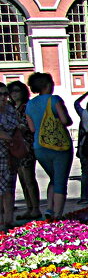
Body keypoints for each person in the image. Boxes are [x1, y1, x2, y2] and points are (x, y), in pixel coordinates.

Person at [23, 71, 74, 220]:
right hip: (60, 146)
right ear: (48, 85)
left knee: (53, 177)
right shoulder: (54, 100)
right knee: (60, 181)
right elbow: (66, 121)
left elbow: (32, 128)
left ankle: (50, 209)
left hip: (39, 146)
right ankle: (57, 215)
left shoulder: (30, 104)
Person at [8, 81, 41, 221]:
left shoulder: (27, 107)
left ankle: (35, 208)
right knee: (22, 179)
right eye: (12, 91)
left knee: (29, 178)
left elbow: (32, 126)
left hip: (27, 146)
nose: (14, 94)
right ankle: (29, 207)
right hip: (15, 147)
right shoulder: (11, 108)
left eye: (17, 91)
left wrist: (20, 127)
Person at [0, 84, 20, 230]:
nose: (3, 97)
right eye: (0, 94)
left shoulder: (10, 109)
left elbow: (17, 126)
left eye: (5, 94)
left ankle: (9, 219)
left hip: (10, 153)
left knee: (9, 186)